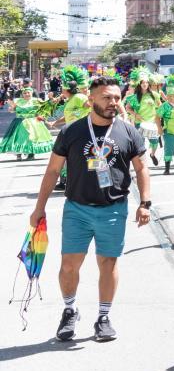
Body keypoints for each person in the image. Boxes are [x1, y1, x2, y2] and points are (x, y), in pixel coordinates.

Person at [29, 76, 151, 342]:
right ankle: (70, 311)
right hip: (77, 209)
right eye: (107, 97)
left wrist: (144, 203)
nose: (113, 102)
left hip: (113, 209)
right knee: (70, 265)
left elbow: (142, 169)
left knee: (108, 263)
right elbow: (52, 171)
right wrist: (39, 207)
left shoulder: (128, 131)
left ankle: (104, 317)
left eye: (117, 98)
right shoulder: (71, 131)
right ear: (91, 99)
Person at [1, 85, 54, 160]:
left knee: (32, 138)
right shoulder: (18, 101)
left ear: (31, 93)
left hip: (33, 122)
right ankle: (18, 154)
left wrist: (50, 99)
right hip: (19, 122)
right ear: (22, 94)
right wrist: (11, 109)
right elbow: (13, 110)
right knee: (18, 138)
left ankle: (31, 153)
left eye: (28, 93)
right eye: (25, 93)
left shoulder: (36, 101)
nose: (27, 94)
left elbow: (45, 107)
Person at [124, 68, 162, 166]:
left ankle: (152, 154)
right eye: (142, 83)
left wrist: (159, 118)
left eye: (146, 82)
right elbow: (127, 108)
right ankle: (142, 163)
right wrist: (136, 114)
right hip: (139, 123)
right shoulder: (134, 97)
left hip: (152, 123)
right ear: (139, 84)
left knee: (154, 143)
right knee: (140, 144)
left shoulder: (155, 95)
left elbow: (160, 107)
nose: (145, 84)